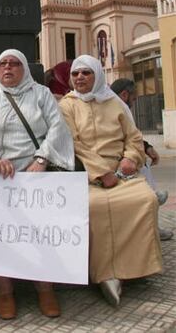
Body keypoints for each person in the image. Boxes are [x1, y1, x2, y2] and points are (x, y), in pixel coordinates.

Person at [0, 49, 75, 320]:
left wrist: (41, 159)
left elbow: (57, 128)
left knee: (42, 230)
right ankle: (4, 291)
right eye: (2, 63)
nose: (7, 68)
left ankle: (45, 288)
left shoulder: (41, 94)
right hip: (0, 176)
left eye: (14, 63)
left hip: (35, 173)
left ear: (24, 68)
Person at [59, 55, 163, 306]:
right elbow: (73, 144)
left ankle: (134, 268)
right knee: (94, 207)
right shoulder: (67, 105)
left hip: (122, 171)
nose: (80, 78)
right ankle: (104, 273)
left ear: (98, 75)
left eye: (86, 73)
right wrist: (100, 172)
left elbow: (134, 137)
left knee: (144, 200)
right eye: (75, 74)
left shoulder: (115, 103)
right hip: (87, 173)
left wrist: (130, 159)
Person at [110, 78, 173, 241]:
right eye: (134, 98)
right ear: (125, 94)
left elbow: (132, 135)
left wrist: (146, 147)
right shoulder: (115, 106)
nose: (134, 101)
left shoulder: (117, 105)